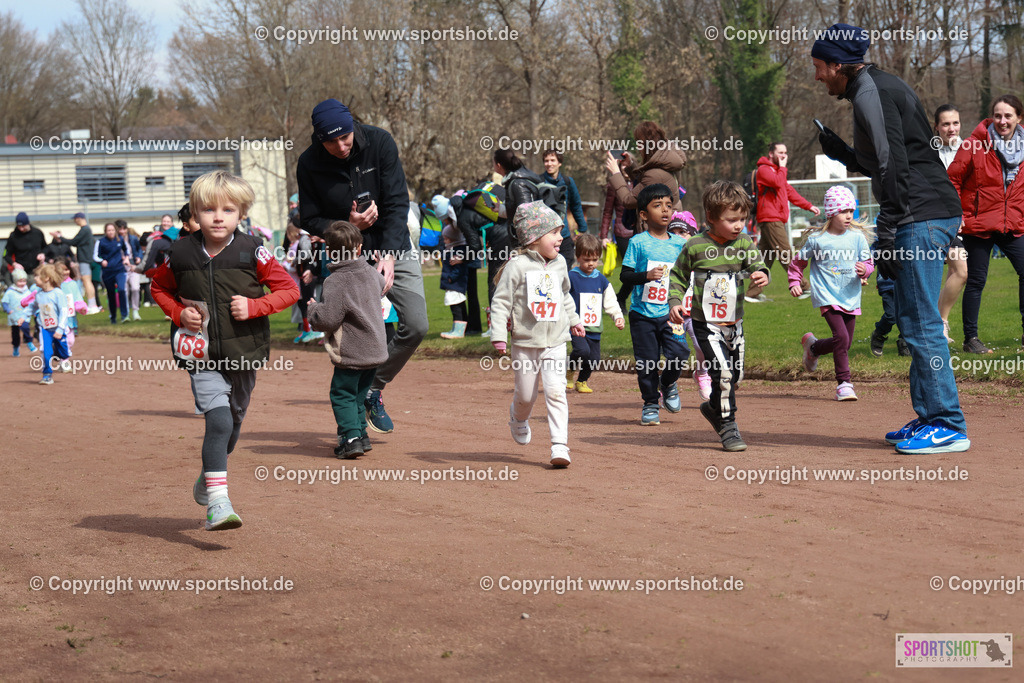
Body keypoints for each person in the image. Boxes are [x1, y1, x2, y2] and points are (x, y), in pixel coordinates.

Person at [814, 22, 969, 454]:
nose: (817, 76)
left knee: (921, 322)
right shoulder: (877, 86)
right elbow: (894, 156)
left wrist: (887, 230)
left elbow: (894, 164)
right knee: (913, 318)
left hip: (919, 214)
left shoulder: (871, 93)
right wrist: (844, 153)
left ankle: (948, 423)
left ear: (837, 64)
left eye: (819, 67)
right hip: (923, 210)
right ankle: (930, 417)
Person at [150, 170, 299, 531]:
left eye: (228, 210)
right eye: (209, 210)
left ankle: (209, 473)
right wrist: (178, 313)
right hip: (200, 355)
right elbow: (158, 288)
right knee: (218, 420)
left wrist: (255, 306)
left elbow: (290, 290)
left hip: (244, 353)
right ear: (195, 214)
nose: (218, 218)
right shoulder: (180, 252)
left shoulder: (254, 251)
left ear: (241, 213)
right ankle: (219, 503)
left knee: (233, 422)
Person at [297, 98, 428, 434]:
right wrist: (346, 224)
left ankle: (372, 388)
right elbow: (308, 217)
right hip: (346, 254)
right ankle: (351, 423)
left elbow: (398, 202)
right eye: (331, 142)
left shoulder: (380, 142)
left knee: (416, 324)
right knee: (352, 335)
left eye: (345, 137)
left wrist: (389, 254)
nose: (341, 147)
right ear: (319, 139)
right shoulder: (309, 162)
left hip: (393, 246)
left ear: (352, 126)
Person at [668, 181, 769, 452]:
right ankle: (727, 425)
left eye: (743, 219)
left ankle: (713, 407)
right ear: (711, 217)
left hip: (734, 323)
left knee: (735, 376)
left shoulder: (744, 242)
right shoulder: (695, 246)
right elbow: (677, 275)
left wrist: (762, 274)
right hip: (706, 324)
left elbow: (757, 263)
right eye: (732, 220)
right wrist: (675, 302)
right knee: (722, 373)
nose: (739, 225)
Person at [489, 201, 585, 468]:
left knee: (556, 391)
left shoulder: (560, 263)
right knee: (526, 396)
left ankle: (559, 445)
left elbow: (565, 295)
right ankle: (518, 418)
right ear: (534, 238)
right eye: (554, 232)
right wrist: (499, 334)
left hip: (556, 341)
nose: (561, 237)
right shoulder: (517, 266)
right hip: (525, 344)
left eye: (561, 231)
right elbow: (501, 302)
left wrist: (574, 320)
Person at [947, 94, 1024, 354]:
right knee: (976, 280)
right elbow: (952, 180)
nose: (1002, 121)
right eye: (997, 115)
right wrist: (957, 214)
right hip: (978, 223)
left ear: (1018, 118)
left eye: (1008, 116)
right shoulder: (973, 144)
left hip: (1013, 223)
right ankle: (971, 339)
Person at [307, 221, 388, 459]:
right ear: (360, 248)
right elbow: (382, 285)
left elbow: (328, 319)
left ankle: (350, 439)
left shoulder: (336, 280)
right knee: (359, 395)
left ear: (329, 251)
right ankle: (361, 435)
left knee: (342, 394)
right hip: (375, 349)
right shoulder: (371, 273)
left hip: (353, 350)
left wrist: (313, 310)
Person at [788, 186, 875, 401]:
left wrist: (865, 270)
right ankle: (844, 383)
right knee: (842, 338)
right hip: (826, 295)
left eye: (851, 211)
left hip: (850, 296)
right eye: (843, 211)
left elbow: (868, 262)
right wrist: (794, 281)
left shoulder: (857, 238)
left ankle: (814, 348)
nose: (849, 216)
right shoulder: (818, 240)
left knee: (845, 342)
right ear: (831, 213)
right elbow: (798, 262)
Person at [619, 184, 691, 426]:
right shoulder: (638, 243)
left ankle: (668, 383)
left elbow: (689, 274)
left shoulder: (680, 244)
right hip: (643, 315)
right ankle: (650, 403)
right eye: (657, 205)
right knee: (647, 363)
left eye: (669, 206)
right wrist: (646, 276)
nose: (665, 210)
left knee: (680, 353)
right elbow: (625, 276)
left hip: (672, 313)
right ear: (643, 214)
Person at [744, 142, 821, 303]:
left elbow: (789, 192)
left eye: (785, 152)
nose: (784, 156)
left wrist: (808, 206)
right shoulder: (764, 170)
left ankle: (752, 293)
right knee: (786, 254)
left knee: (765, 258)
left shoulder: (777, 171)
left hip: (774, 219)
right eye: (780, 152)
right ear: (771, 154)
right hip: (770, 219)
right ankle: (804, 286)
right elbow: (778, 182)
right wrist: (783, 168)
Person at [567, 233, 624, 392]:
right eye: (587, 260)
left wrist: (617, 316)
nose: (591, 264)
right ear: (578, 257)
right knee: (582, 351)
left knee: (593, 359)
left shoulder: (601, 280)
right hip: (577, 326)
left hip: (594, 327)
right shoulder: (571, 277)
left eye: (595, 260)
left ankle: (582, 381)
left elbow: (610, 301)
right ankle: (570, 370)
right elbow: (563, 297)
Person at [932, 104, 969, 344]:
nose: (951, 128)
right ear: (936, 127)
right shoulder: (929, 152)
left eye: (955, 123)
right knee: (961, 271)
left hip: (966, 219)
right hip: (939, 218)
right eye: (945, 124)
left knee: (954, 273)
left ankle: (937, 324)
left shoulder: (970, 149)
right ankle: (940, 322)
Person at [667, 212, 712, 401]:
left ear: (693, 235)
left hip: (695, 312)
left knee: (703, 346)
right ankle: (667, 384)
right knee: (675, 352)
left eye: (682, 232)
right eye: (673, 232)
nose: (677, 236)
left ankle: (702, 374)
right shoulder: (666, 256)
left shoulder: (700, 256)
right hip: (673, 313)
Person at [603, 121, 686, 222]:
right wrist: (630, 165)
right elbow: (645, 183)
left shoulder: (655, 174)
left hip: (658, 228)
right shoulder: (668, 164)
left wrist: (616, 173)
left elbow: (628, 200)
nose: (638, 148)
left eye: (639, 143)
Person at [541, 150, 589, 267]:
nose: (549, 164)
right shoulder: (538, 181)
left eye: (553, 160)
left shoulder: (568, 182)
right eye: (546, 161)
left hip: (564, 235)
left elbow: (576, 205)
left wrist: (582, 228)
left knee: (565, 270)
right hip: (544, 236)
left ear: (560, 163)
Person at [600, 156, 635, 308]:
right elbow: (607, 212)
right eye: (623, 167)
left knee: (640, 269)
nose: (625, 170)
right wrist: (603, 236)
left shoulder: (639, 183)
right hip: (622, 232)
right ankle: (620, 299)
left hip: (638, 231)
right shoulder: (613, 186)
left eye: (628, 166)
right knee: (631, 269)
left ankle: (620, 298)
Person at [27, 264, 71, 384]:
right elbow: (32, 306)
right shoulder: (39, 295)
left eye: (37, 276)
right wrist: (24, 317)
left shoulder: (58, 293)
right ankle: (47, 375)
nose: (34, 278)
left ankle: (61, 355)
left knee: (64, 352)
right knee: (46, 352)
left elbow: (64, 311)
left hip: (58, 329)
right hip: (45, 329)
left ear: (46, 278)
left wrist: (60, 329)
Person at [436, 195, 470, 339]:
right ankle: (460, 328)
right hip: (453, 282)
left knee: (456, 305)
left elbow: (457, 269)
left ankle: (458, 330)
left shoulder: (456, 251)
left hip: (454, 283)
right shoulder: (451, 250)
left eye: (446, 239)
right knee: (457, 305)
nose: (444, 242)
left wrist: (450, 278)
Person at [93, 222, 130, 324]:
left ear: (115, 231)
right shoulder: (100, 242)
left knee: (122, 290)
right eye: (109, 230)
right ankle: (113, 317)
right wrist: (102, 261)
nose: (111, 232)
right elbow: (95, 256)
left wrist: (126, 258)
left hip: (120, 270)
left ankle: (125, 315)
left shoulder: (120, 239)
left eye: (112, 230)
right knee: (111, 294)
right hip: (107, 272)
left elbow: (126, 250)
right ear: (105, 231)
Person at [68, 212, 99, 312]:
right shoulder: (87, 230)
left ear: (78, 219)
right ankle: (93, 304)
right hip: (87, 259)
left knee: (86, 281)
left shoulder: (84, 229)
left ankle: (92, 305)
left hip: (84, 259)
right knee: (88, 281)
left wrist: (60, 238)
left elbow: (73, 242)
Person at [2, 268, 36, 356]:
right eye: (20, 281)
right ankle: (16, 348)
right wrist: (7, 309)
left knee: (26, 328)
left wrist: (34, 312)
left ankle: (29, 342)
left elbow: (32, 302)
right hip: (14, 316)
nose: (22, 283)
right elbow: (4, 302)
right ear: (15, 281)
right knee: (15, 334)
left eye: (24, 281)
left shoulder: (27, 291)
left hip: (24, 316)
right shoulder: (10, 291)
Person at [116, 220, 143, 321]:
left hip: (133, 266)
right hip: (121, 268)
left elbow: (139, 249)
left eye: (124, 229)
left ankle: (135, 311)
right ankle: (126, 314)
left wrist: (139, 257)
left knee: (135, 288)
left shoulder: (133, 238)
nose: (122, 231)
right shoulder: (115, 240)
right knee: (124, 291)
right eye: (120, 229)